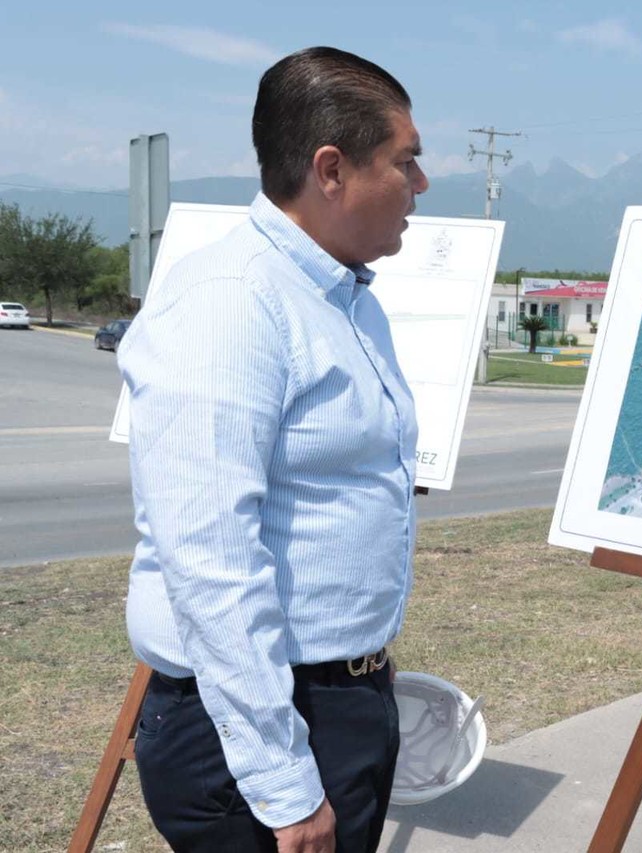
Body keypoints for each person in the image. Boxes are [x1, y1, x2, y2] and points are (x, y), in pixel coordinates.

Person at [118, 46, 429, 853]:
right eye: (406, 162)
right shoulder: (233, 302)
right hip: (257, 728)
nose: (420, 186)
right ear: (332, 169)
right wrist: (284, 786)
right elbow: (211, 558)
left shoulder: (340, 295)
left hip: (333, 699)